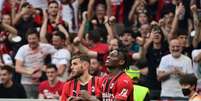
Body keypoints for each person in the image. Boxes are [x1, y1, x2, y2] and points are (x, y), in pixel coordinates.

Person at [15, 29, 57, 98]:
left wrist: (47, 66)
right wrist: (31, 72)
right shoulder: (22, 49)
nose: (31, 41)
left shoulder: (45, 47)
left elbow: (59, 51)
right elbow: (17, 68)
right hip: (27, 83)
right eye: (30, 39)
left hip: (42, 82)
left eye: (34, 38)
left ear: (38, 39)